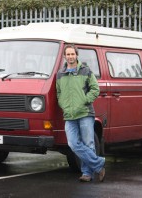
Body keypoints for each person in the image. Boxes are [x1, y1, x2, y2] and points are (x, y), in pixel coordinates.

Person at [56, 44, 105, 182]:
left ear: (76, 55)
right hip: (69, 115)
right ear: (64, 56)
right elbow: (59, 93)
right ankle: (99, 164)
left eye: (73, 54)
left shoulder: (85, 71)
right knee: (72, 143)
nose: (71, 56)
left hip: (85, 113)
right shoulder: (60, 74)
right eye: (68, 54)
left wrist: (85, 100)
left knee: (88, 143)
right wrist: (63, 105)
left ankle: (87, 173)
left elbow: (95, 89)